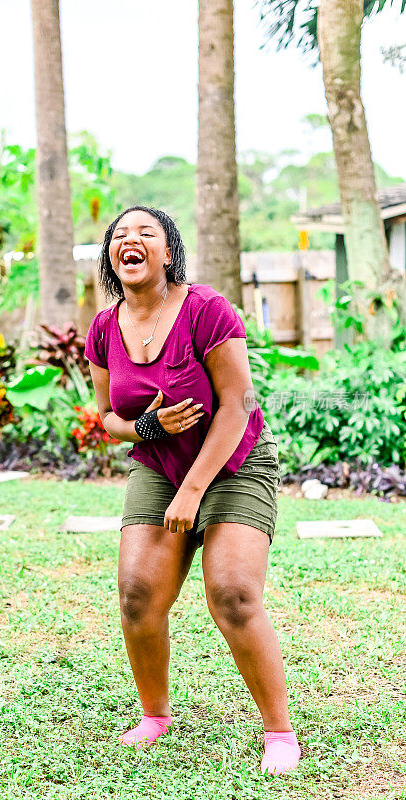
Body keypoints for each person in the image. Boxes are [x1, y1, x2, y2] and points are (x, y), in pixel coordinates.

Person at [84, 205, 301, 776]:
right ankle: (155, 715)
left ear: (168, 252)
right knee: (137, 596)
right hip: (160, 466)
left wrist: (194, 492)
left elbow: (237, 405)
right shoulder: (105, 326)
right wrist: (148, 429)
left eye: (145, 233)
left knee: (232, 593)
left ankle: (279, 731)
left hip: (234, 462)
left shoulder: (205, 308)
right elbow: (106, 416)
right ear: (112, 255)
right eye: (120, 235)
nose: (131, 241)